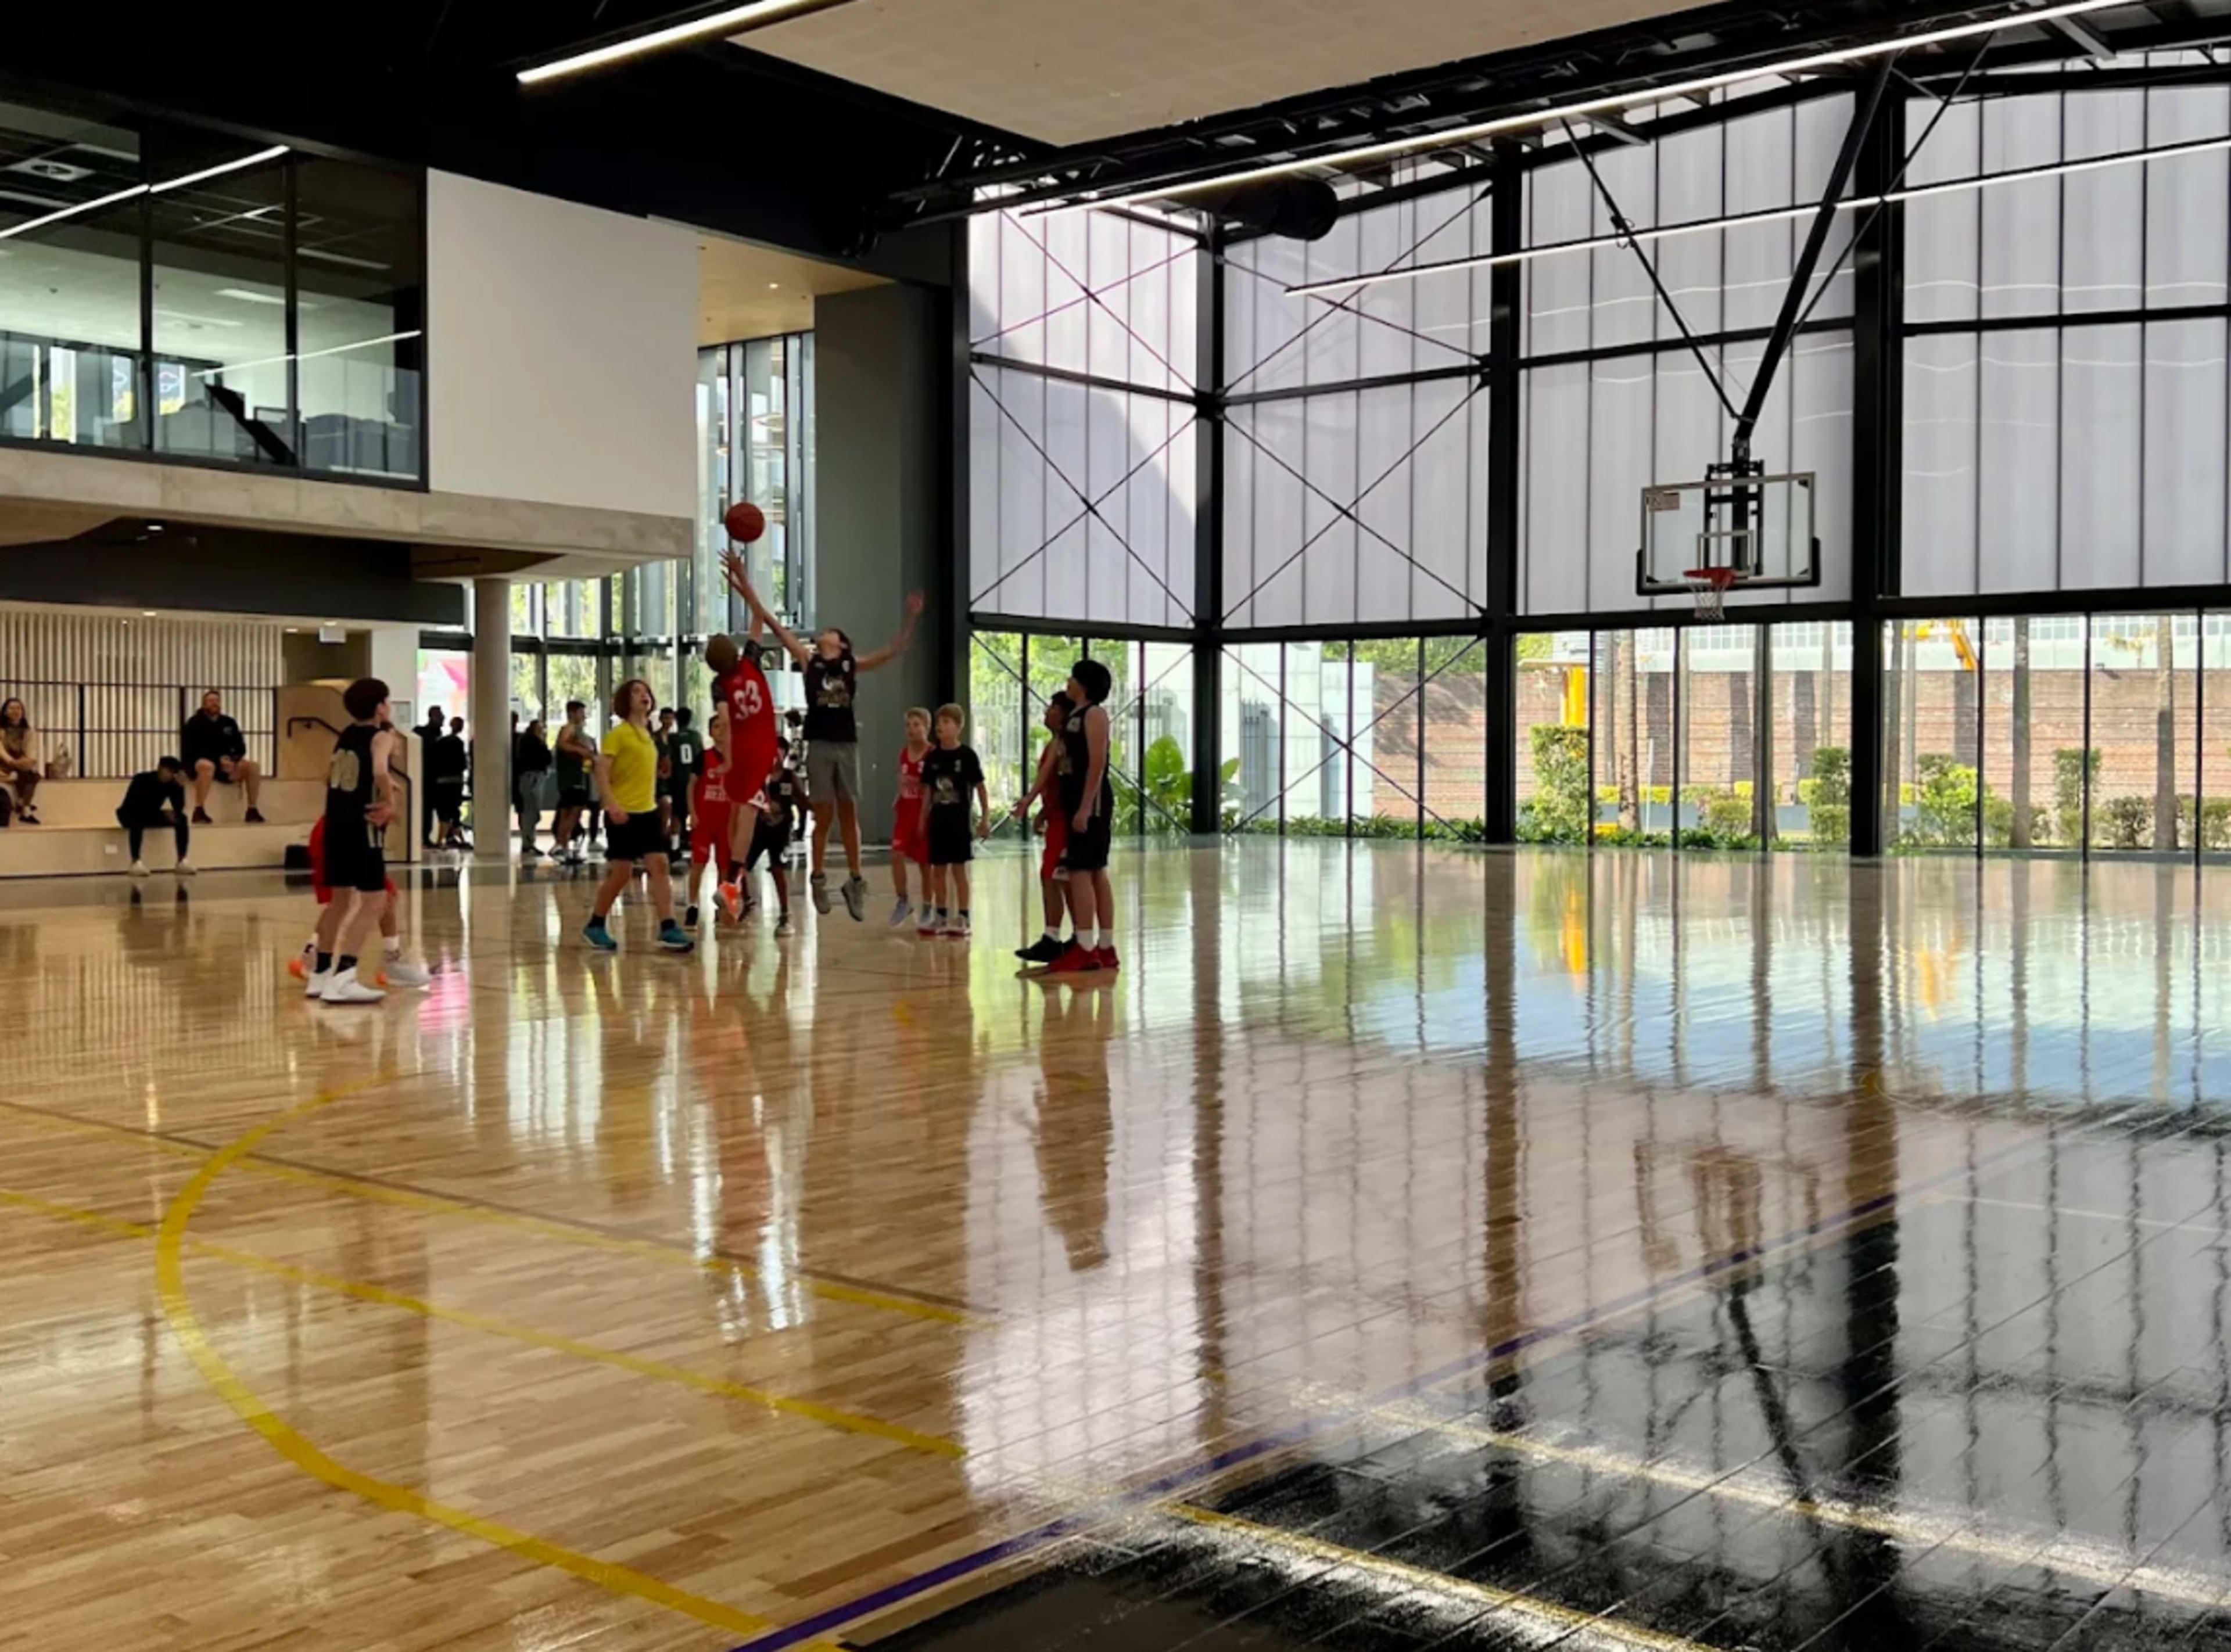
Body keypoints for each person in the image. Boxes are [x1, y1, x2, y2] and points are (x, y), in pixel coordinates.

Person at [728, 553, 921, 922]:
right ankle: (817, 877)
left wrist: (912, 615)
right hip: (818, 744)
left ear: (842, 644)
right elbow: (767, 617)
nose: (824, 632)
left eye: (830, 631)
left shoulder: (852, 664)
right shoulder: (807, 659)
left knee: (849, 812)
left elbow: (895, 648)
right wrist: (742, 582)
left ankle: (855, 880)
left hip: (847, 745)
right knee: (823, 814)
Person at [303, 678, 396, 1004]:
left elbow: (328, 777)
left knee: (339, 901)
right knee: (375, 900)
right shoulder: (381, 736)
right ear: (379, 706)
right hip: (363, 824)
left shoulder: (344, 735)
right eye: (388, 700)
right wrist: (390, 802)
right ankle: (345, 975)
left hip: (335, 823)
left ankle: (321, 975)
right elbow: (382, 770)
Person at [582, 679, 692, 954]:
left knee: (660, 865)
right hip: (623, 813)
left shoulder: (649, 737)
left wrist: (658, 774)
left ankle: (668, 927)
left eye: (646, 691)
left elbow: (636, 770)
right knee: (622, 873)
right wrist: (611, 803)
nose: (643, 695)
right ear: (625, 701)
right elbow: (601, 770)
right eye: (636, 692)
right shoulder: (618, 735)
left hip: (648, 811)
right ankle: (595, 924)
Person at [288, 810, 432, 992]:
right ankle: (387, 965)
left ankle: (311, 957)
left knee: (343, 903)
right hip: (346, 835)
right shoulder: (370, 791)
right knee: (378, 897)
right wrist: (388, 797)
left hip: (332, 832)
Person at [1042, 660, 1118, 975]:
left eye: (1072, 677)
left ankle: (1088, 948)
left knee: (1083, 872)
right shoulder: (1072, 717)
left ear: (1084, 685)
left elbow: (1098, 762)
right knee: (1093, 871)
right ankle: (1102, 947)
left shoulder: (1095, 714)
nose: (1068, 682)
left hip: (1092, 803)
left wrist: (1086, 806)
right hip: (1075, 802)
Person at [915, 703, 988, 940]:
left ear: (958, 727)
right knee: (938, 870)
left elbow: (980, 787)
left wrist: (985, 817)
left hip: (958, 822)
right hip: (938, 821)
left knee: (959, 870)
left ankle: (964, 915)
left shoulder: (967, 756)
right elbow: (927, 791)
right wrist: (922, 818)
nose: (941, 726)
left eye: (947, 722)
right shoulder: (933, 757)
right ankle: (942, 914)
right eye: (939, 722)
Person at [1012, 692, 1074, 964]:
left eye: (1052, 708)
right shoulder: (1056, 743)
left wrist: (1043, 809)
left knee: (1053, 876)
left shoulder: (1064, 746)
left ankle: (1054, 937)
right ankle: (1077, 937)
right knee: (1063, 878)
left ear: (1063, 714)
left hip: (1063, 819)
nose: (1046, 712)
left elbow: (1058, 782)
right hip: (1056, 817)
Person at [738, 738, 805, 934]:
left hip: (781, 831)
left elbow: (801, 800)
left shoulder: (789, 777)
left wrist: (811, 811)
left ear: (784, 755)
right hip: (759, 830)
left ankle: (785, 914)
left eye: (779, 752)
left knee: (778, 870)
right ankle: (748, 902)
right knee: (741, 865)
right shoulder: (759, 777)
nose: (775, 756)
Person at [683, 708, 734, 931]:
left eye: (725, 726)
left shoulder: (736, 760)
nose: (722, 731)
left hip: (727, 822)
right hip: (704, 820)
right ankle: (692, 905)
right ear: (711, 733)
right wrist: (692, 813)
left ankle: (723, 908)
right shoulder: (703, 758)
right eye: (717, 727)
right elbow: (691, 786)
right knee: (699, 864)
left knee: (726, 866)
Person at [182, 689, 264, 824]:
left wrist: (233, 760)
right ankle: (199, 810)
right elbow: (191, 750)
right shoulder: (194, 723)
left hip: (227, 766)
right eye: (211, 701)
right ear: (204, 705)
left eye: (217, 701)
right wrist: (218, 760)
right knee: (207, 766)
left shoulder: (229, 722)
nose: (215, 703)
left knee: (253, 766)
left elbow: (241, 746)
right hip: (201, 764)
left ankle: (252, 810)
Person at [888, 708, 932, 928]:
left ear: (926, 728)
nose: (912, 729)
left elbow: (932, 788)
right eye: (908, 725)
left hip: (924, 813)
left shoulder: (932, 754)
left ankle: (928, 906)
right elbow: (902, 776)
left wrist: (926, 816)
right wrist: (899, 796)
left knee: (925, 864)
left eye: (917, 725)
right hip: (905, 811)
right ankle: (903, 901)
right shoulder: (904, 753)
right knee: (896, 855)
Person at [116, 756, 191, 875]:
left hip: (150, 814)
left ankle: (182, 860)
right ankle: (136, 862)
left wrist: (181, 788)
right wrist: (162, 814)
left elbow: (179, 808)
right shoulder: (141, 779)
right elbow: (136, 805)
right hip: (129, 813)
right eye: (168, 771)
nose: (169, 775)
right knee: (138, 817)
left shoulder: (172, 784)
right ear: (160, 768)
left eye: (173, 773)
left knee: (182, 819)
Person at [551, 701, 596, 864]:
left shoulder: (577, 732)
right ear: (572, 713)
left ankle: (563, 846)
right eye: (581, 713)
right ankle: (561, 844)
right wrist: (583, 750)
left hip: (576, 776)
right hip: (571, 778)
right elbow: (563, 745)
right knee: (574, 811)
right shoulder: (568, 729)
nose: (584, 716)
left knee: (568, 811)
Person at [430, 716, 469, 849]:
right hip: (455, 781)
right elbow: (463, 764)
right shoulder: (459, 743)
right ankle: (447, 838)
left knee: (444, 811)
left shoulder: (440, 742)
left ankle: (443, 838)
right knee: (453, 809)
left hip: (441, 781)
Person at [514, 717, 552, 857]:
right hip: (532, 779)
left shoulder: (525, 741)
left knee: (530, 812)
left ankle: (529, 842)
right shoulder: (534, 742)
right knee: (531, 812)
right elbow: (546, 758)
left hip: (529, 778)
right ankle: (528, 843)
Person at [667, 706, 703, 852]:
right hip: (693, 779)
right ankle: (696, 843)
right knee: (694, 812)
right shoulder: (696, 736)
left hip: (678, 780)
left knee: (677, 814)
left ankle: (675, 846)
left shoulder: (672, 738)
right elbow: (701, 755)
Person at [0, 698, 41, 824]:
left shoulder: (28, 731)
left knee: (32, 775)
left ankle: (25, 808)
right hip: (3, 764)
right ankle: (23, 805)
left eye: (19, 708)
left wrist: (28, 761)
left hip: (20, 764)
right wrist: (12, 762)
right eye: (11, 708)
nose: (15, 711)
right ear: (5, 712)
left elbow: (32, 751)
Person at [417, 707, 446, 845]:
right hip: (426, 777)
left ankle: (428, 835)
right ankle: (424, 836)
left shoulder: (438, 735)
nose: (442, 719)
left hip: (435, 777)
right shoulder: (422, 733)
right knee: (426, 808)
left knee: (432, 808)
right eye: (440, 717)